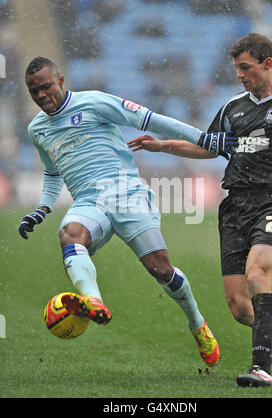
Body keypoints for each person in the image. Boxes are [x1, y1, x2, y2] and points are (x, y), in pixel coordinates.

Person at [18, 57, 238, 367]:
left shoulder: (94, 102)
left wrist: (203, 138)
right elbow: (52, 174)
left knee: (161, 269)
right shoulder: (36, 129)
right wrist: (42, 209)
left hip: (126, 194)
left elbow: (151, 119)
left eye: (45, 87)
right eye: (33, 91)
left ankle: (197, 324)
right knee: (69, 235)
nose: (41, 95)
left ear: (61, 81)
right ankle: (93, 300)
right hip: (88, 202)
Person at [128, 33, 272, 387]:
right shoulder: (233, 107)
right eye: (236, 68)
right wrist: (163, 146)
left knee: (257, 275)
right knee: (240, 307)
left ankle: (261, 369)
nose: (239, 74)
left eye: (245, 67)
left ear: (268, 63)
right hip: (234, 207)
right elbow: (208, 146)